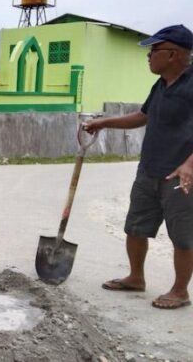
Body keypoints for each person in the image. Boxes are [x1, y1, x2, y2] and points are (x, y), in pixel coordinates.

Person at [83, 24, 193, 310]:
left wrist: (189, 164)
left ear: (172, 54)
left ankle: (180, 291)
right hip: (149, 169)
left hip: (180, 174)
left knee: (182, 235)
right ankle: (135, 277)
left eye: (153, 50)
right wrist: (103, 123)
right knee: (135, 227)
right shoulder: (160, 84)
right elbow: (142, 116)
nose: (148, 56)